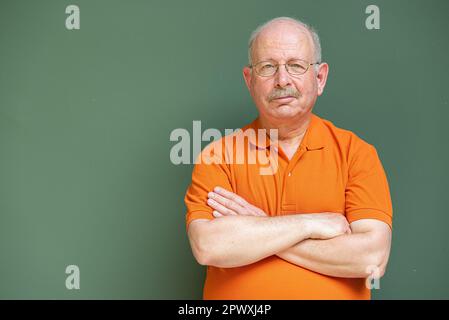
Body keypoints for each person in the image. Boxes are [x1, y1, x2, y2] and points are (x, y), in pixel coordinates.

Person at [184, 17, 392, 299]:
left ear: (319, 78)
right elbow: (209, 247)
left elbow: (372, 259)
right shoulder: (218, 156)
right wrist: (310, 224)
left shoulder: (356, 154)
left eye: (295, 65)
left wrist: (259, 226)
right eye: (268, 67)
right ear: (250, 80)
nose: (282, 80)